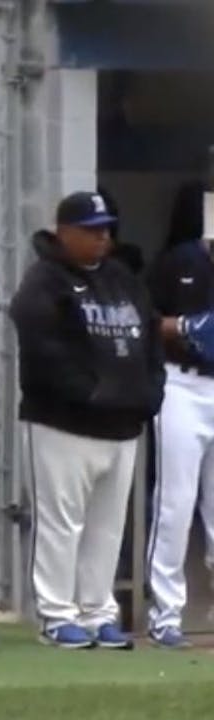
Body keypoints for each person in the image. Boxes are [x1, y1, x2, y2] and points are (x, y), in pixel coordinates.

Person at [12, 191, 165, 650]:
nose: (102, 238)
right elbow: (42, 351)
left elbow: (151, 339)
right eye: (92, 230)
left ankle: (99, 612)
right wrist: (91, 392)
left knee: (107, 526)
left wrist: (148, 393)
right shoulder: (45, 281)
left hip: (121, 427)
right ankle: (57, 615)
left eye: (106, 229)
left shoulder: (123, 279)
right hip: (63, 424)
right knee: (61, 523)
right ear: (65, 232)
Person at [142, 217, 214, 649]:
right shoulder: (179, 261)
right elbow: (144, 318)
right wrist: (185, 327)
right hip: (183, 383)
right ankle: (164, 615)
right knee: (175, 502)